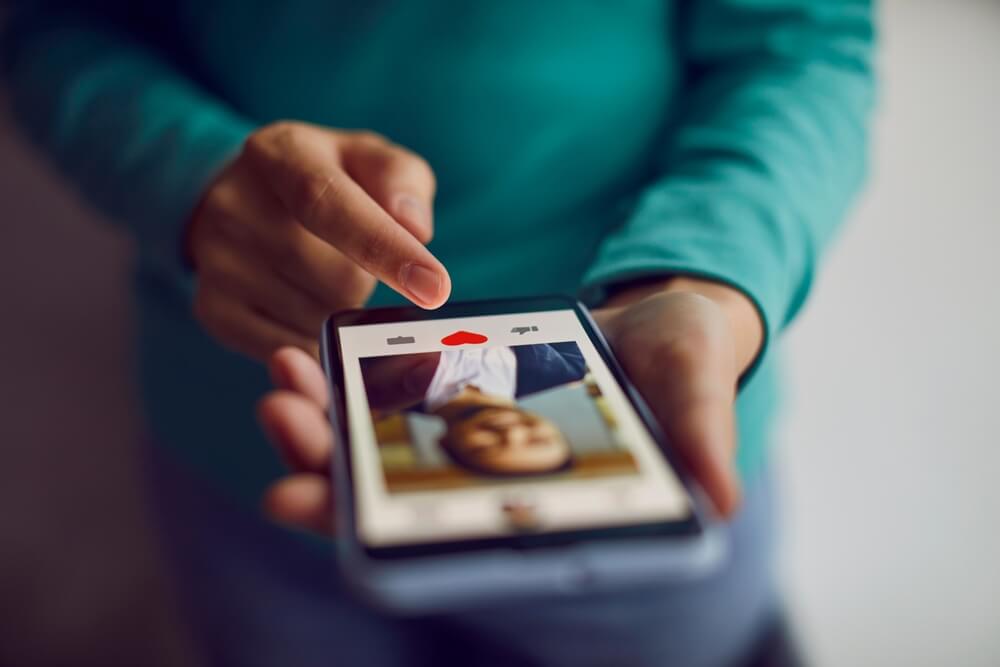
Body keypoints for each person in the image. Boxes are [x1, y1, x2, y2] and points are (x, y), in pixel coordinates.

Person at [2, 1, 874, 665]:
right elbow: (41, 23)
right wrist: (191, 178)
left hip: (645, 429)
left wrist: (702, 273)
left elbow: (803, 40)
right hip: (248, 451)